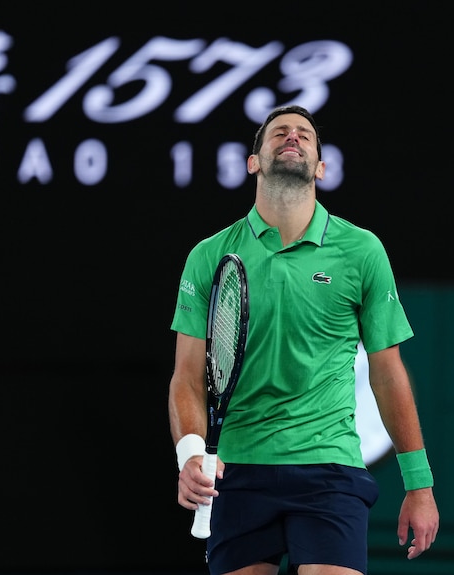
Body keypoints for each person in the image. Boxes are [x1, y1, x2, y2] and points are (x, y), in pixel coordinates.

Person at [168, 105, 439, 575]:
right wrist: (191, 452)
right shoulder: (209, 256)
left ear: (320, 167)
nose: (292, 137)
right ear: (253, 162)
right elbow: (188, 377)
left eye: (304, 135)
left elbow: (388, 373)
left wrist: (419, 484)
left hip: (329, 469)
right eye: (279, 133)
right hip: (237, 470)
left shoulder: (362, 251)